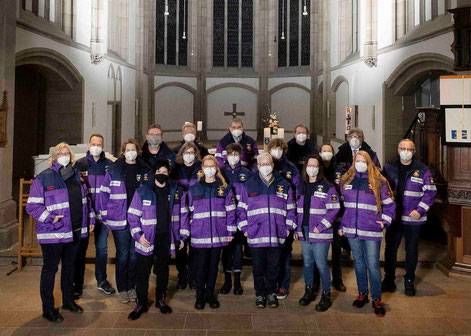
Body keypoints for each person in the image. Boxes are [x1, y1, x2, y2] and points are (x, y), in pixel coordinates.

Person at [27, 142, 93, 323]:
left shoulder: (77, 177)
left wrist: (91, 220)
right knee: (50, 270)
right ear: (54, 158)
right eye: (60, 153)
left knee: (69, 268)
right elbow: (32, 206)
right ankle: (48, 309)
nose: (64, 155)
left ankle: (68, 301)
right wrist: (51, 218)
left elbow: (86, 200)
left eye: (67, 153)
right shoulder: (44, 178)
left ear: (71, 157)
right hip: (53, 233)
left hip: (75, 230)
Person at [127, 160, 189, 320]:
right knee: (143, 273)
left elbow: (183, 215)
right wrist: (138, 236)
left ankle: (160, 301)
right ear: (154, 172)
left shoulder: (176, 191)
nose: (162, 173)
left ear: (168, 174)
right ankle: (141, 303)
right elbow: (132, 216)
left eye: (165, 171)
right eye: (159, 170)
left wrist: (182, 237)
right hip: (146, 239)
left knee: (163, 272)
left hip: (166, 239)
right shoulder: (143, 191)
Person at [338, 151, 395, 317]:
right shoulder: (345, 181)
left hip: (371, 230)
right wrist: (343, 224)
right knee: (359, 263)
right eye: (357, 160)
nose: (360, 163)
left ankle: (377, 299)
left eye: (363, 161)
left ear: (369, 162)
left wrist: (384, 221)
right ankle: (362, 294)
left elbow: (390, 205)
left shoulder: (379, 181)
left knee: (372, 265)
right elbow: (342, 206)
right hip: (352, 230)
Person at [237, 153, 296, 309]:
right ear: (257, 165)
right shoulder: (249, 184)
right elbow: (241, 209)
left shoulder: (283, 184)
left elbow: (291, 209)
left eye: (267, 163)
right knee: (258, 267)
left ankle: (270, 293)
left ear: (273, 164)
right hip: (256, 234)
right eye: (262, 164)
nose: (265, 166)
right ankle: (260, 294)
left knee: (274, 266)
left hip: (277, 234)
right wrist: (245, 228)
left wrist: (288, 227)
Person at [382, 139, 437, 296]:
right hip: (394, 217)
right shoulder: (389, 167)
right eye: (403, 148)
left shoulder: (422, 169)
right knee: (390, 249)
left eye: (409, 149)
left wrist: (420, 210)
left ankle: (409, 281)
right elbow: (383, 189)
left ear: (414, 152)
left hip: (414, 218)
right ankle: (388, 280)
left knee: (411, 250)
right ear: (398, 149)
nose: (405, 151)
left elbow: (430, 192)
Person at [100, 139, 152, 304]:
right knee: (123, 255)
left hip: (138, 220)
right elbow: (104, 194)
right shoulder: (114, 170)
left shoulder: (145, 170)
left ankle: (132, 286)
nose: (131, 151)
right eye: (127, 149)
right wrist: (104, 216)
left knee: (135, 256)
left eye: (133, 149)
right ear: (123, 152)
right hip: (119, 220)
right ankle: (123, 288)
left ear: (137, 151)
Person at [182, 155, 237, 310]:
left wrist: (230, 231)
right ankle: (199, 296)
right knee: (201, 267)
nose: (209, 169)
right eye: (206, 166)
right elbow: (188, 212)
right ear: (202, 169)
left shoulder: (225, 188)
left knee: (213, 267)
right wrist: (190, 231)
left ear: (216, 168)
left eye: (212, 166)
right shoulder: (194, 189)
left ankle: (210, 295)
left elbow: (231, 211)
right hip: (200, 236)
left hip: (219, 234)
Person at [294, 154, 340, 312]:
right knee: (307, 263)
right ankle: (309, 291)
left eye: (315, 165)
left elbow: (334, 209)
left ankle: (326, 295)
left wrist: (320, 227)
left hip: (320, 232)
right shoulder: (301, 185)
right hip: (305, 231)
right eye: (309, 165)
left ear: (319, 168)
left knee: (321, 264)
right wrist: (297, 228)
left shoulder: (328, 186)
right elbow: (297, 209)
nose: (311, 168)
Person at [74, 134, 116, 299]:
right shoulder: (80, 164)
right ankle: (77, 284)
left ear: (103, 145)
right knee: (80, 250)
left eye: (99, 144)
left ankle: (102, 281)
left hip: (103, 215)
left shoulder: (110, 165)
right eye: (93, 143)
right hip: (85, 215)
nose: (96, 146)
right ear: (89, 145)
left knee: (102, 249)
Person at [266, 139, 300, 300]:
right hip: (268, 217)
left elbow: (297, 192)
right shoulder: (265, 165)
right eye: (274, 148)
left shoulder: (291, 169)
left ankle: (284, 285)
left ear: (284, 150)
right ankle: (270, 283)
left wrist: (293, 222)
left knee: (285, 254)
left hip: (285, 217)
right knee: (269, 254)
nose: (277, 151)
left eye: (280, 148)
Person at [220, 143, 253, 295]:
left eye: (236, 154)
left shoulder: (247, 173)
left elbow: (250, 198)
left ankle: (237, 280)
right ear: (226, 155)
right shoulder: (220, 173)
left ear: (240, 156)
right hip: (225, 219)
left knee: (238, 249)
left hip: (241, 217)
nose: (233, 157)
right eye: (230, 153)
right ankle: (227, 280)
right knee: (226, 249)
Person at [170, 142, 202, 290]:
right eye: (186, 152)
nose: (189, 155)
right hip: (179, 213)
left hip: (197, 213)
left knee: (195, 248)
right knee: (181, 248)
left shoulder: (201, 169)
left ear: (195, 154)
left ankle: (194, 276)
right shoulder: (175, 170)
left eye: (192, 152)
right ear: (181, 154)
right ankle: (182, 275)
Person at [318, 144, 347, 292]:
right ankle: (317, 280)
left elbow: (345, 193)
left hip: (336, 217)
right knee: (319, 251)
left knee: (336, 250)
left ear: (333, 154)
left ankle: (337, 279)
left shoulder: (341, 172)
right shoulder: (316, 169)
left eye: (329, 151)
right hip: (319, 217)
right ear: (320, 153)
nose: (327, 154)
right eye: (324, 151)